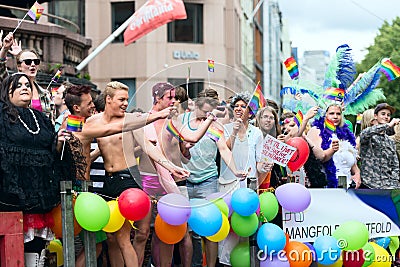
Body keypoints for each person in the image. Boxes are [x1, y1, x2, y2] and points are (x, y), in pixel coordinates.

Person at [92, 81, 189, 267]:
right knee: (111, 237)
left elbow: (148, 148)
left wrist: (170, 166)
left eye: (127, 100)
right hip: (108, 181)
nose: (125, 103)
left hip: (129, 178)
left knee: (124, 236)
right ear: (108, 99)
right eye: (121, 99)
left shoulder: (132, 121)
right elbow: (78, 145)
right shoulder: (94, 122)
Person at [0, 73, 73, 265]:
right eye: (18, 85)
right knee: (11, 245)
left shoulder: (40, 118)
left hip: (38, 192)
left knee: (37, 245)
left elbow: (50, 152)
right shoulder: (1, 115)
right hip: (10, 193)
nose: (25, 87)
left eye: (27, 85)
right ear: (7, 91)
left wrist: (59, 143)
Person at [179, 88, 247, 267]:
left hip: (208, 180)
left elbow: (224, 150)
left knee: (209, 227)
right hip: (185, 180)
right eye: (210, 105)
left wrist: (236, 170)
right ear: (200, 102)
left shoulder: (215, 126)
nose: (212, 110)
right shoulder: (184, 120)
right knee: (189, 230)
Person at [1, 32, 55, 122]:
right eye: (28, 62)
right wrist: (5, 49)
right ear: (19, 67)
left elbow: (51, 123)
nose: (33, 65)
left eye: (36, 62)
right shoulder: (10, 85)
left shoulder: (46, 94)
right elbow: (1, 69)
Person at [307, 104, 361, 188]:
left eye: (338, 114)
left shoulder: (345, 134)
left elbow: (352, 161)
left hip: (346, 185)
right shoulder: (317, 131)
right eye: (331, 113)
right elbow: (319, 158)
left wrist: (357, 174)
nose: (335, 116)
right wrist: (332, 150)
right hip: (326, 185)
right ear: (325, 115)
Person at [359, 103, 400, 189]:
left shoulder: (390, 141)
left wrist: (394, 182)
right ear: (375, 116)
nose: (386, 117)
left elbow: (395, 165)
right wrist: (388, 125)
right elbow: (367, 132)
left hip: (388, 186)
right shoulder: (368, 135)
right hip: (369, 185)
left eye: (388, 115)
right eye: (383, 114)